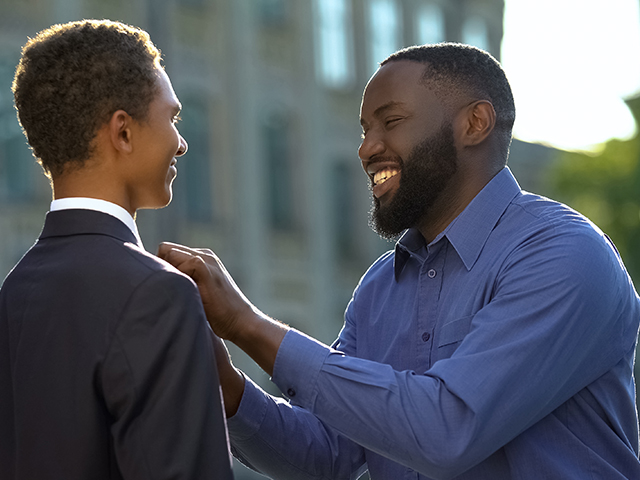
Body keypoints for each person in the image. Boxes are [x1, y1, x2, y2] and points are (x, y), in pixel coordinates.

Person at [159, 43, 640, 479]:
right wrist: (227, 389)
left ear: (474, 123)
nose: (367, 148)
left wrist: (248, 325)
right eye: (365, 129)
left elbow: (446, 429)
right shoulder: (379, 287)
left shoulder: (563, 255)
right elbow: (328, 454)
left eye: (391, 122)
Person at [0, 20, 233, 479]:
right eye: (173, 118)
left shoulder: (14, 291)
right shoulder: (158, 294)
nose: (182, 143)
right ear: (123, 132)